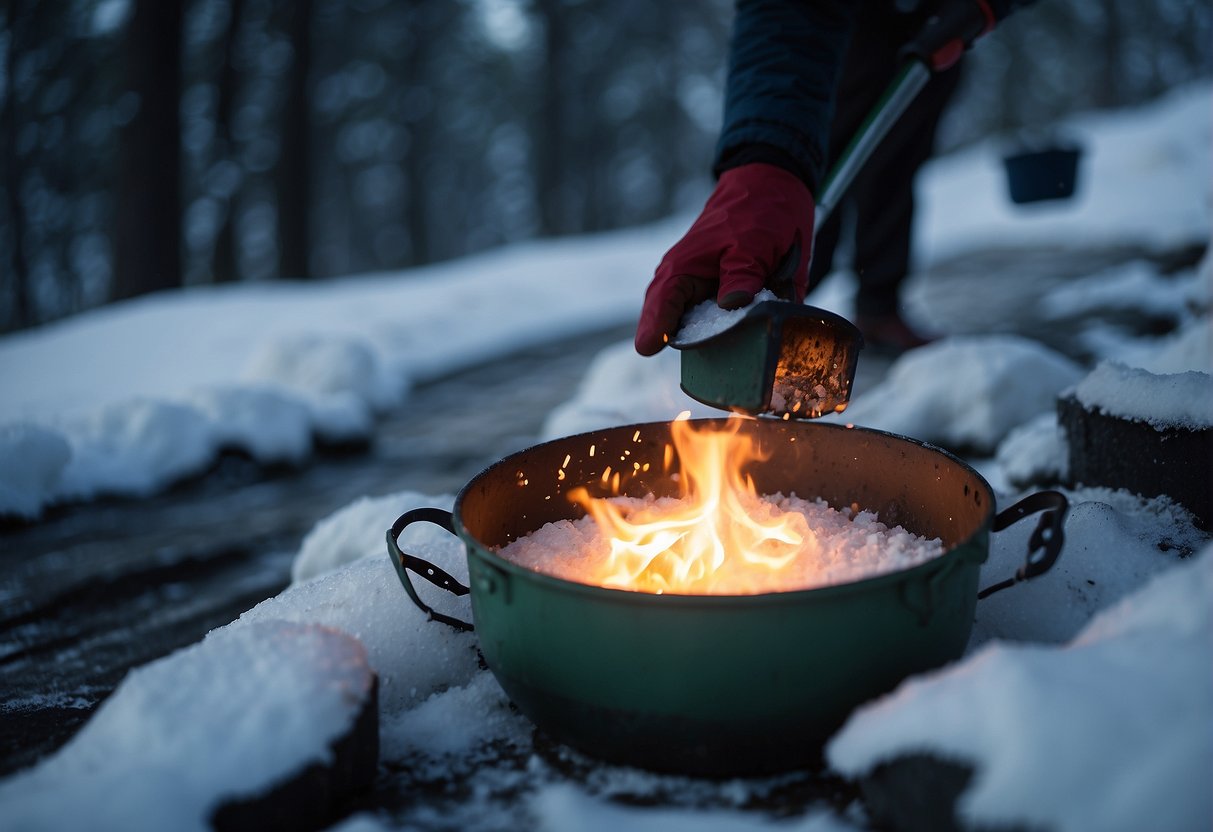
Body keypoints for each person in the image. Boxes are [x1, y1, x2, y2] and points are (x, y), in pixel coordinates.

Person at [635, 0, 1029, 357]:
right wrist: (765, 160)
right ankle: (779, 297)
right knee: (830, 150)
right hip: (857, 28)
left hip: (939, 17)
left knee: (896, 160)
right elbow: (785, 17)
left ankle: (878, 304)